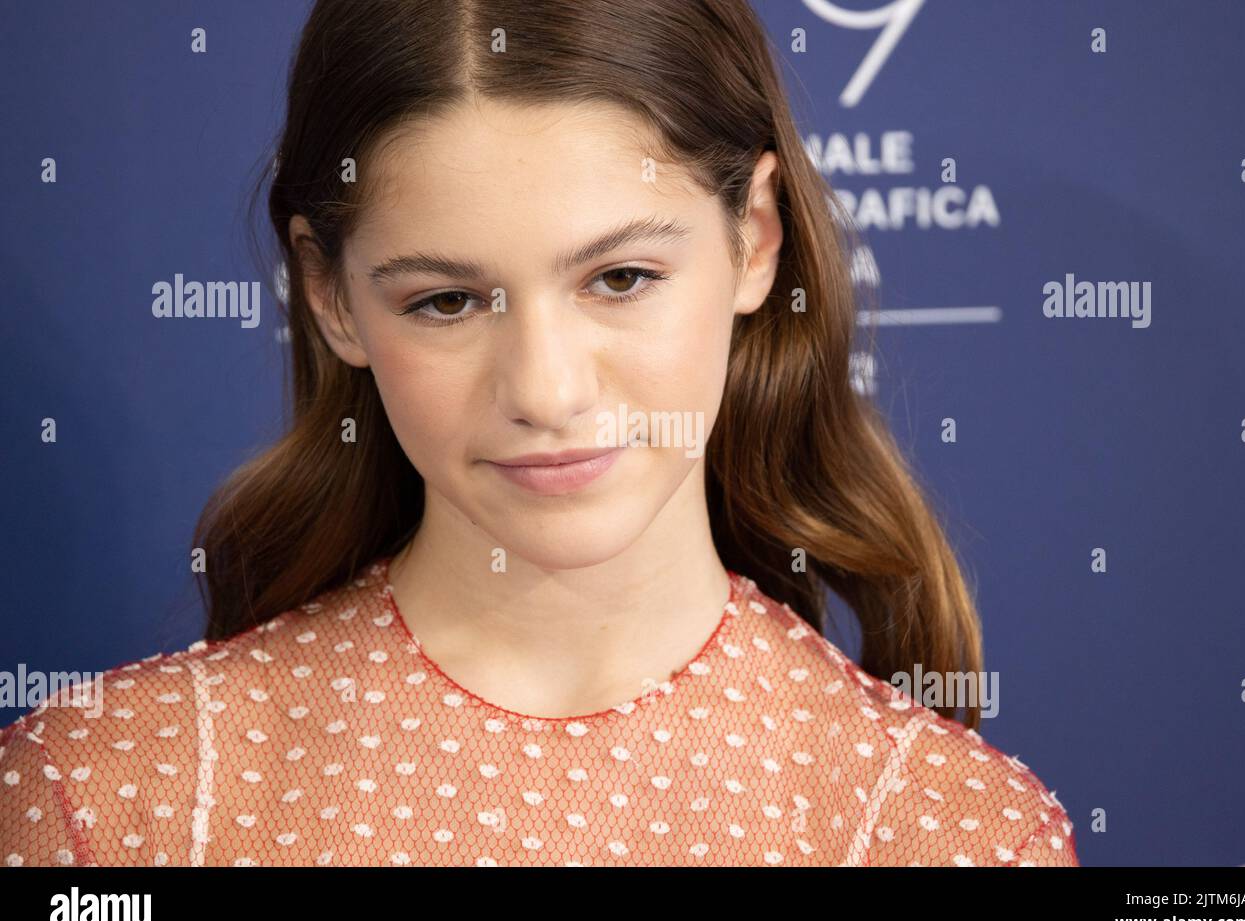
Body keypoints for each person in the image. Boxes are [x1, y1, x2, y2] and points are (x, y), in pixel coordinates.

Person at [0, 0, 1078, 866]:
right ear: (330, 297)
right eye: (447, 301)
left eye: (620, 278)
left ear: (754, 238)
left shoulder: (951, 837)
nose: (547, 391)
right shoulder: (108, 802)